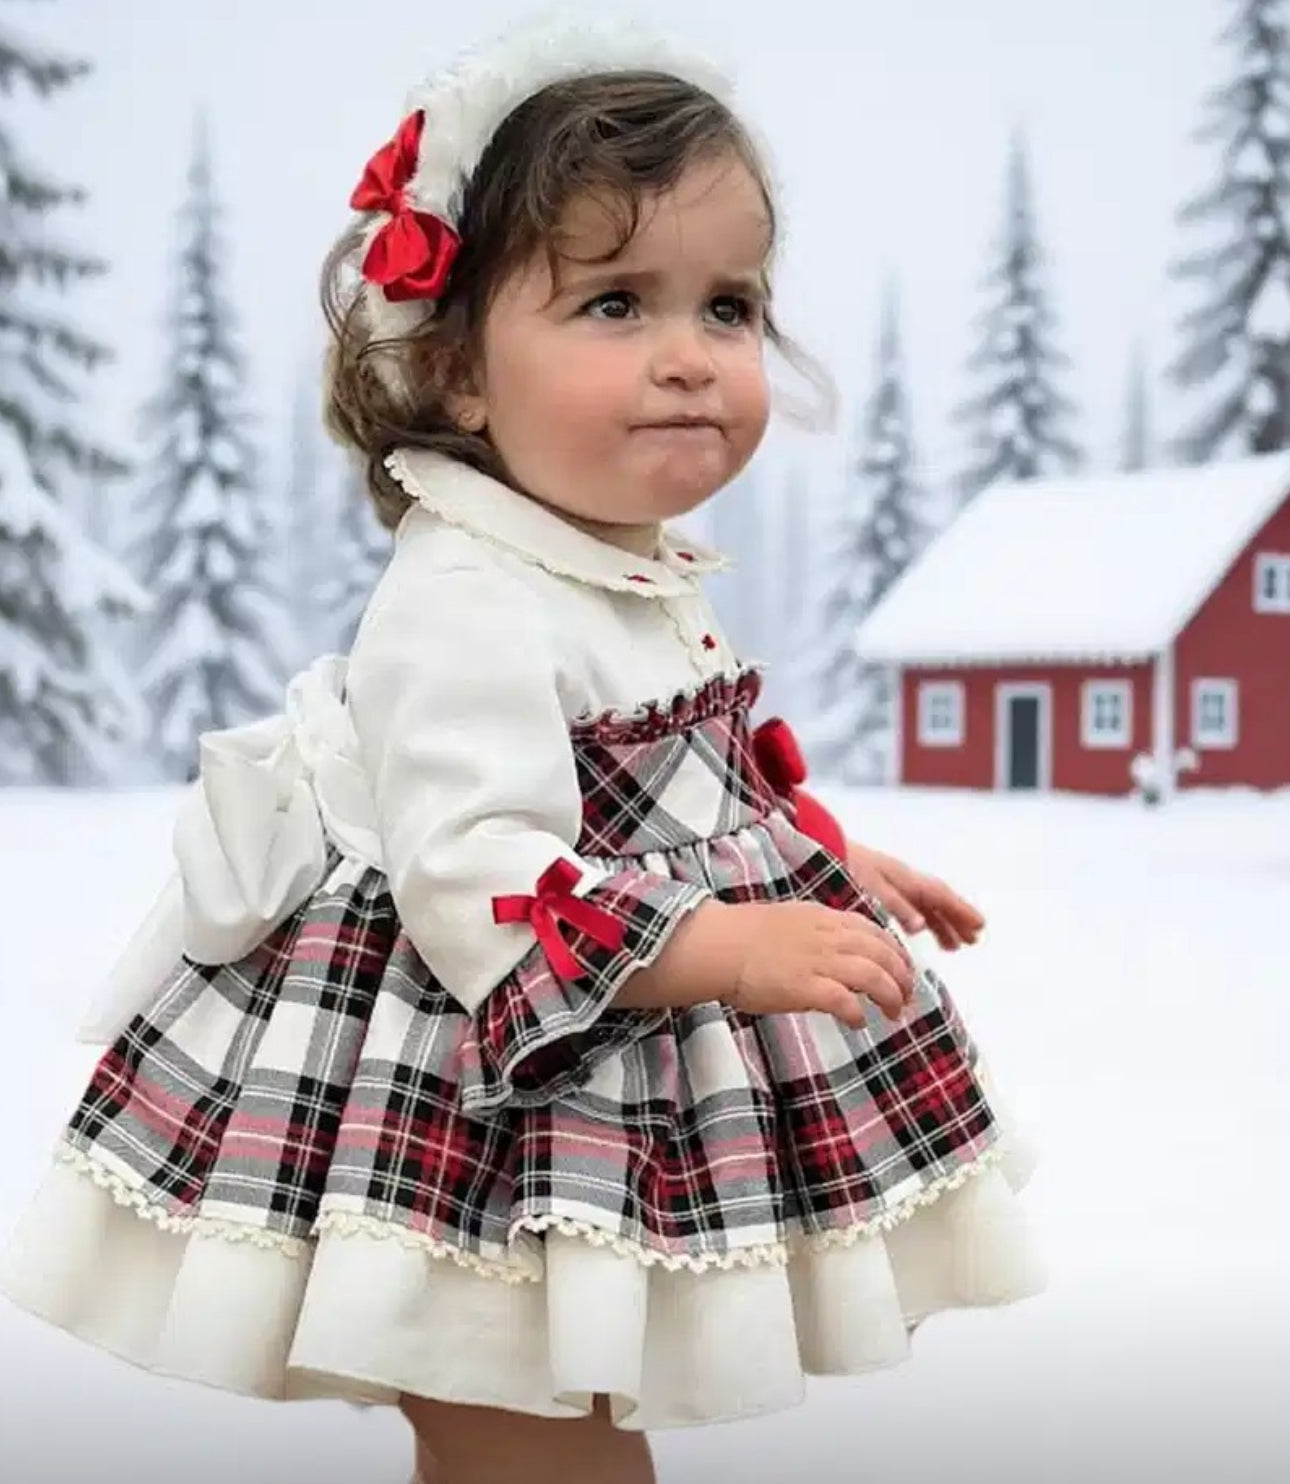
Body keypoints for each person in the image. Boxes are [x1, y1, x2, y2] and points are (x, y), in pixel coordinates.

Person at [0, 13, 1044, 1483]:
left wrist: (827, 865)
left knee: (572, 1420)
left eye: (726, 307)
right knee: (520, 1434)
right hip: (470, 1100)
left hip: (595, 1086)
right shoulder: (468, 590)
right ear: (457, 370)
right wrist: (724, 950)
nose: (689, 358)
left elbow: (683, 796)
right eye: (615, 304)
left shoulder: (624, 567)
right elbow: (479, 871)